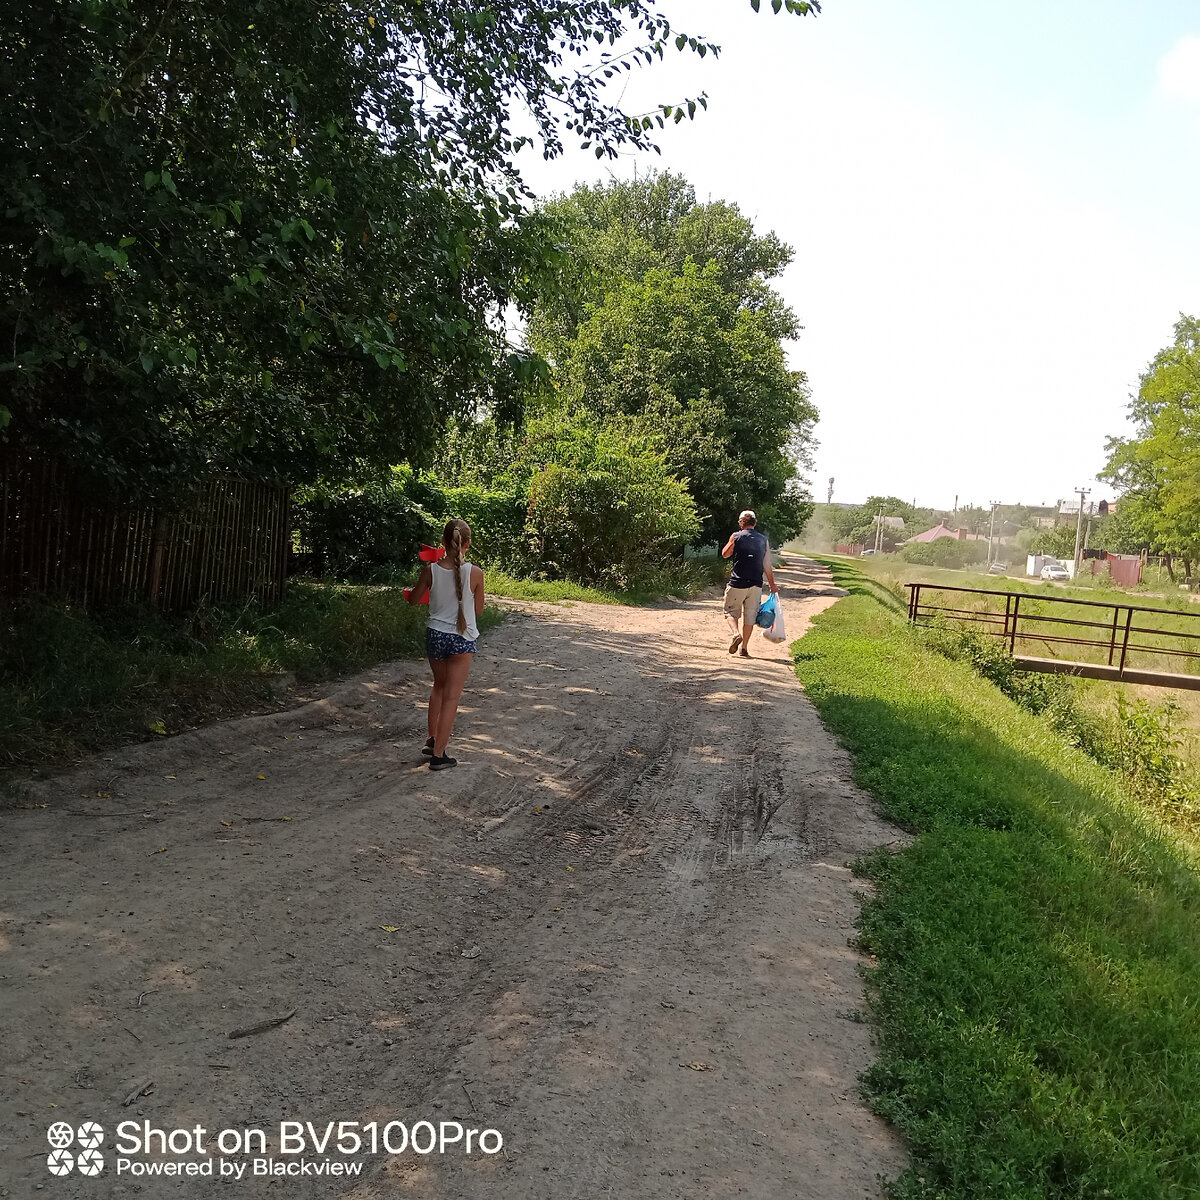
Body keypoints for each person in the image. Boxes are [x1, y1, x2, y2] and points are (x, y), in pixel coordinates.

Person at [406, 518, 484, 770]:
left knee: (438, 686)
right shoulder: (475, 573)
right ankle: (439, 755)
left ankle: (431, 738)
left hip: (436, 636)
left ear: (442, 542)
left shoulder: (430, 570)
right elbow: (479, 611)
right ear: (468, 545)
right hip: (462, 638)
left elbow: (414, 600)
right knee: (452, 697)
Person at [720, 509, 776, 658]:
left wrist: (733, 542)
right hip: (756, 584)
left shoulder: (736, 536)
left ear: (741, 523)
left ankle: (735, 634)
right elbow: (767, 563)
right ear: (754, 523)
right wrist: (772, 585)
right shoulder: (763, 540)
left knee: (730, 612)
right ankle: (744, 648)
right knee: (750, 617)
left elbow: (725, 554)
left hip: (737, 582)